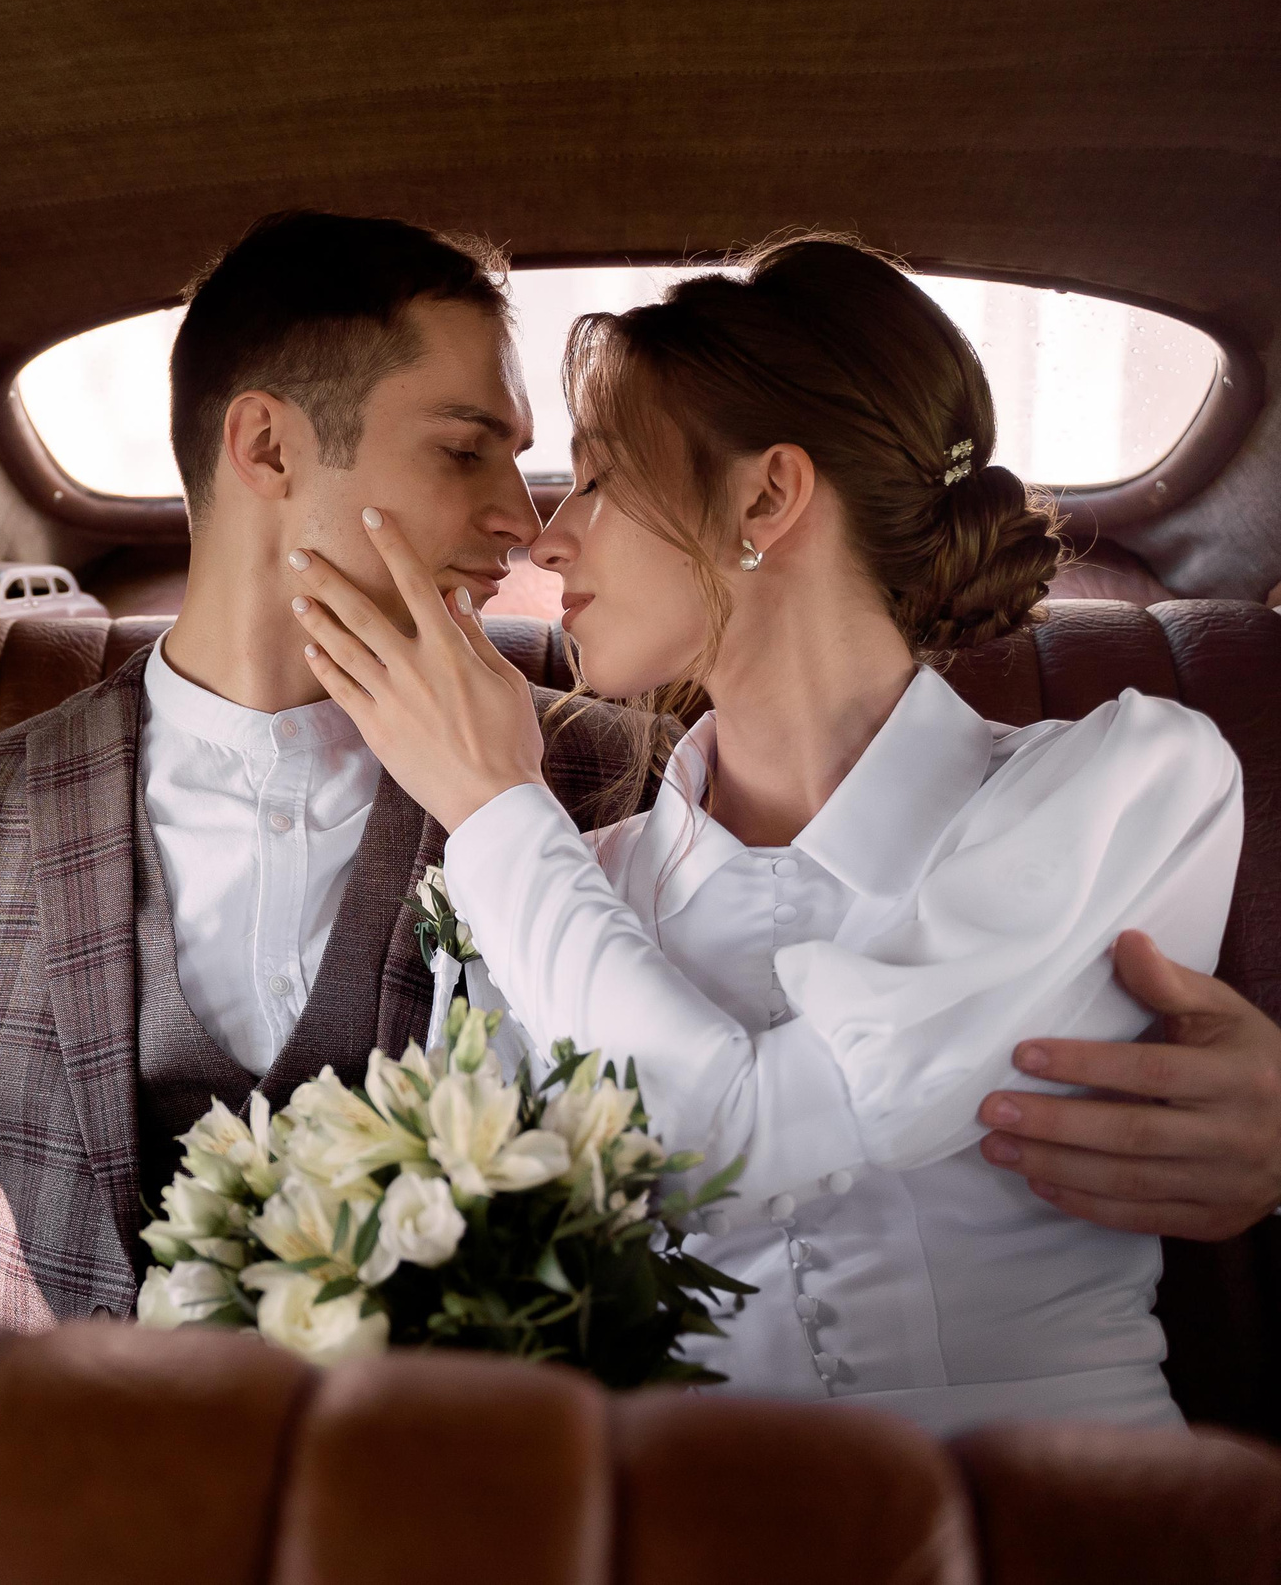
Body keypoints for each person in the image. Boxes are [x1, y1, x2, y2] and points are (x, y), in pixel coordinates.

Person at [0, 212, 1281, 1337]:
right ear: (264, 450)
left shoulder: (593, 787)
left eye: (570, 470)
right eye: (471, 451)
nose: (531, 525)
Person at [285, 234, 1247, 1430]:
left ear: (766, 496)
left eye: (595, 479)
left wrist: (494, 810)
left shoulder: (1123, 788)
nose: (546, 539)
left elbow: (732, 1138)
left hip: (1062, 1525)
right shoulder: (554, 881)